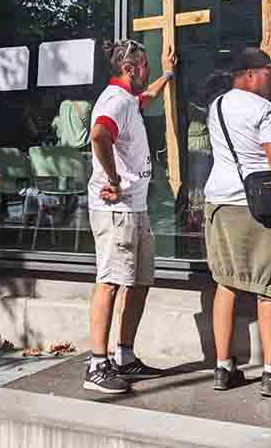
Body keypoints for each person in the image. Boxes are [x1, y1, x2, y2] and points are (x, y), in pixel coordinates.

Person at [203, 48, 271, 397]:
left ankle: (223, 367)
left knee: (226, 283)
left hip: (219, 200)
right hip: (259, 205)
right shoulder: (266, 110)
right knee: (268, 285)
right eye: (268, 72)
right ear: (249, 74)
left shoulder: (216, 106)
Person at [83, 39, 176, 394]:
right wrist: (114, 178)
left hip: (135, 207)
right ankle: (97, 364)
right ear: (130, 68)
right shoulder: (114, 101)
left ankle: (124, 356)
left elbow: (147, 97)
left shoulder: (129, 100)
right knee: (109, 281)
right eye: (147, 65)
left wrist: (168, 73)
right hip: (114, 210)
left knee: (138, 281)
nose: (148, 69)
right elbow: (99, 135)